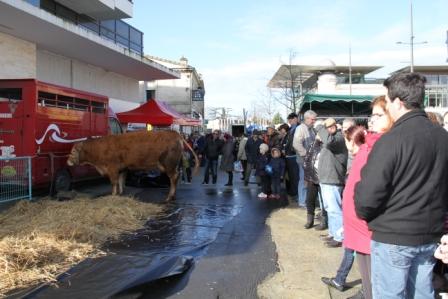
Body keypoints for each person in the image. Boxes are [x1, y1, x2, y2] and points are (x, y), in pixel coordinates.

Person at [355, 73, 448, 299]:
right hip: (428, 234)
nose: (386, 106)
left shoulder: (391, 140)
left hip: (394, 237)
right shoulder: (442, 137)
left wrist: (364, 207)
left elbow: (367, 197)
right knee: (422, 294)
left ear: (398, 102)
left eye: (387, 101)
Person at [317, 118, 348, 248]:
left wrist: (319, 127)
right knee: (330, 209)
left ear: (335, 126)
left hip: (332, 179)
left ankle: (339, 237)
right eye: (326, 127)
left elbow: (328, 142)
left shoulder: (338, 138)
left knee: (335, 209)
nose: (327, 129)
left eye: (329, 126)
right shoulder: (332, 139)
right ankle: (333, 233)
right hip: (326, 179)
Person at [293, 110, 317, 207]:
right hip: (304, 160)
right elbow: (296, 144)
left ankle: (306, 200)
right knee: (304, 180)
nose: (314, 121)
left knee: (308, 181)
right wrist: (306, 155)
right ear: (307, 118)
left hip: (309, 160)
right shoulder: (301, 128)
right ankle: (302, 201)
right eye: (313, 119)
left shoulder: (310, 129)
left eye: (315, 119)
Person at [284, 112, 299, 199]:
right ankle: (293, 191)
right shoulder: (291, 129)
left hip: (294, 155)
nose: (289, 122)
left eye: (291, 120)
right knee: (291, 176)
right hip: (289, 155)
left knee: (295, 176)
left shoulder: (298, 128)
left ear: (295, 119)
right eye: (289, 120)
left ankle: (296, 193)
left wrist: (292, 150)